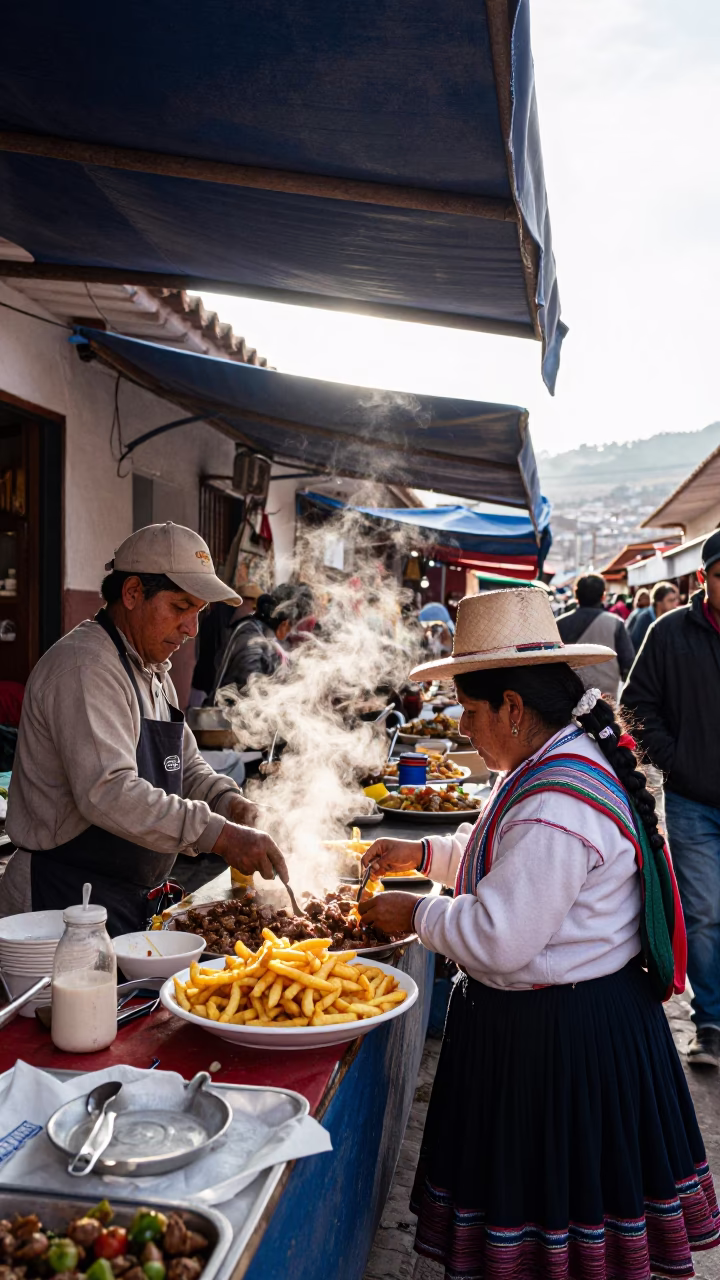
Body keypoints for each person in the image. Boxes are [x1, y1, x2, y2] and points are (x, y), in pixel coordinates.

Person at [358, 587, 717, 1280]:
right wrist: (426, 856)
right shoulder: (550, 764)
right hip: (563, 1027)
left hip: (564, 1042)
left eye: (469, 710)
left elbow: (500, 933)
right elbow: (513, 867)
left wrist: (417, 915)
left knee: (556, 1227)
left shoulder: (555, 798)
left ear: (513, 709)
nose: (464, 727)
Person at [0, 523, 289, 934]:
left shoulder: (153, 671)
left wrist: (231, 804)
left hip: (123, 895)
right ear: (133, 593)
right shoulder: (87, 668)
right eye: (180, 607)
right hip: (61, 903)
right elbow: (108, 792)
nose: (191, 629)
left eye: (199, 613)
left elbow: (186, 767)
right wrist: (220, 835)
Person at [621, 531, 720, 1066]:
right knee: (704, 912)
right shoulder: (668, 632)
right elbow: (635, 705)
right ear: (703, 579)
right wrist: (677, 761)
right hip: (693, 800)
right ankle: (710, 1021)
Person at [556, 572, 634, 698]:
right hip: (605, 699)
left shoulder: (559, 623)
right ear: (603, 596)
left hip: (568, 697)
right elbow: (628, 662)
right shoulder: (615, 623)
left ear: (576, 595)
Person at [209, 590, 294, 700]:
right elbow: (249, 680)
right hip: (231, 710)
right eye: (288, 626)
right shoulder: (251, 636)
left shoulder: (257, 631)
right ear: (283, 623)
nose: (288, 631)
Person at [189, 582, 263, 703]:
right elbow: (217, 655)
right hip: (207, 684)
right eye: (253, 605)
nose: (253, 611)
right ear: (243, 600)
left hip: (207, 684)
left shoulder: (231, 618)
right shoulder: (224, 621)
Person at [627, 581, 680, 651]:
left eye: (674, 600)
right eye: (670, 600)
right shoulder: (644, 619)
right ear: (658, 602)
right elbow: (637, 646)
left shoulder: (672, 618)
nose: (674, 605)